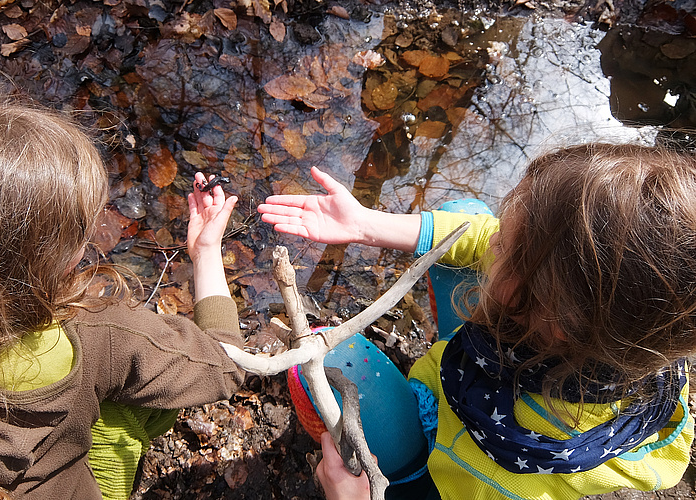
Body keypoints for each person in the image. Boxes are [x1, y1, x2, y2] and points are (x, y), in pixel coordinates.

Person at [258, 144, 696, 499]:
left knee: (312, 359)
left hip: (444, 472)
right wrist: (366, 224)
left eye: (505, 245)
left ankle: (398, 466)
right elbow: (479, 233)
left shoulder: (509, 483)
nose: (493, 239)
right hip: (495, 364)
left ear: (553, 315)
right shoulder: (646, 343)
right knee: (462, 210)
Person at [0, 99, 244, 500]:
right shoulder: (98, 331)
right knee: (144, 403)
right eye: (81, 231)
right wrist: (205, 252)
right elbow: (223, 365)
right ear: (50, 259)